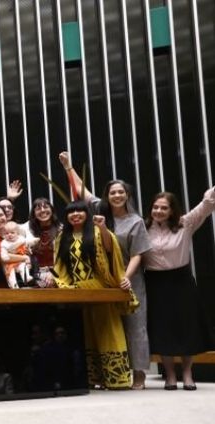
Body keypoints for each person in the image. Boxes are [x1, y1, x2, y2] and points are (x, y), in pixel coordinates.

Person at [60, 152, 151, 390]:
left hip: (129, 280)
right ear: (107, 196)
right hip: (103, 280)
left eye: (121, 192)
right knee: (108, 327)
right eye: (113, 193)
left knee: (135, 326)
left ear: (127, 195)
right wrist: (68, 166)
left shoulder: (136, 221)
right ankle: (106, 375)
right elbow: (82, 191)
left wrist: (125, 278)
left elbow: (138, 254)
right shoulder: (99, 211)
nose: (117, 196)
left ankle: (139, 375)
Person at [52, 200, 137, 389]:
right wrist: (62, 284)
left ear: (87, 214)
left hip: (99, 288)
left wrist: (103, 228)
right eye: (71, 212)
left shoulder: (97, 231)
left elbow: (110, 250)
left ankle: (117, 379)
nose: (75, 215)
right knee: (87, 334)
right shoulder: (62, 237)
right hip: (76, 290)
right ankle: (93, 378)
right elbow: (60, 266)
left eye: (80, 211)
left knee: (108, 330)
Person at [143, 187, 215, 390]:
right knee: (163, 328)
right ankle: (170, 375)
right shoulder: (143, 227)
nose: (158, 211)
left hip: (181, 280)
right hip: (155, 282)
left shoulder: (185, 223)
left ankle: (187, 373)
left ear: (172, 210)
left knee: (186, 327)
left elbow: (207, 204)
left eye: (164, 208)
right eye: (155, 207)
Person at [25, 198, 61, 288]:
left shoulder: (62, 230)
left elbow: (65, 257)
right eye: (38, 208)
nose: (42, 210)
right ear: (34, 213)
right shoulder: (27, 230)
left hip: (58, 275)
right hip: (34, 276)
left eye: (46, 207)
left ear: (52, 210)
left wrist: (53, 274)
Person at [0, 221, 38, 288]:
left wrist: (34, 241)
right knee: (10, 274)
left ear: (17, 233)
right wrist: (4, 256)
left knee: (23, 266)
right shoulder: (4, 243)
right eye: (6, 233)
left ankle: (27, 278)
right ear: (3, 235)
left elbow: (27, 242)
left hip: (20, 261)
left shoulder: (20, 239)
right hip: (10, 263)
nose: (9, 235)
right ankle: (14, 285)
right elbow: (3, 253)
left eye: (12, 232)